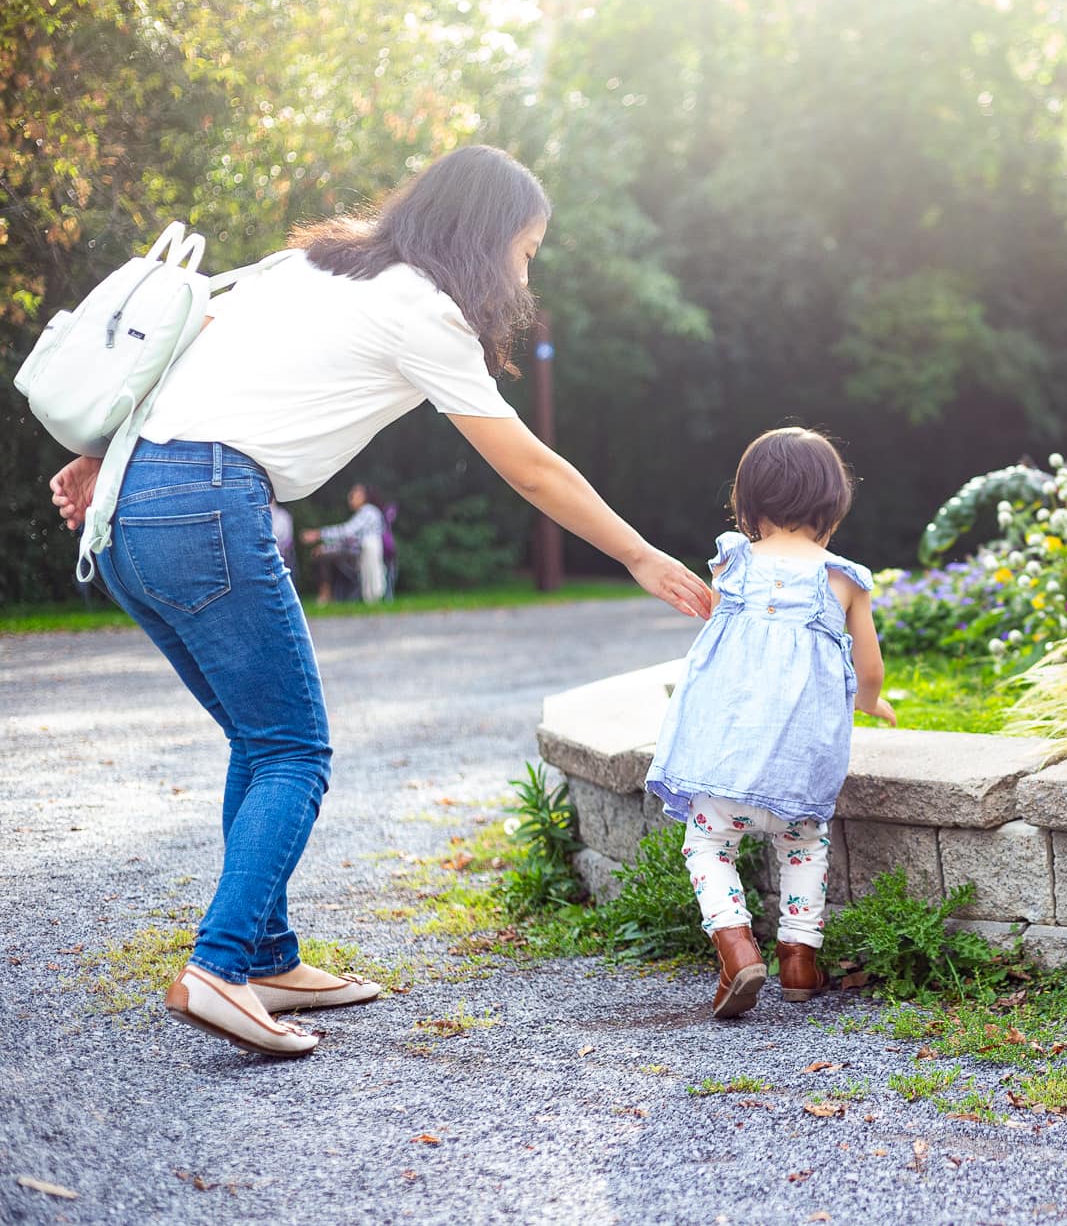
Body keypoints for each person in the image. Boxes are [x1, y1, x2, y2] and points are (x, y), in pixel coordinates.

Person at [47, 145, 714, 1058]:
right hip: (205, 502)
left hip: (132, 507)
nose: (527, 270)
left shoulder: (307, 262)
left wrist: (99, 460)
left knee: (260, 737)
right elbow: (529, 465)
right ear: (484, 238)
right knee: (292, 749)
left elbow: (169, 359)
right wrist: (638, 555)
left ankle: (269, 954)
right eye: (526, 249)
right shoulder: (423, 308)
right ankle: (219, 964)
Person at [642, 427, 895, 1019]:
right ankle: (799, 960)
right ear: (833, 506)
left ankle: (735, 944)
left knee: (707, 843)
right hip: (799, 770)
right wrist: (870, 702)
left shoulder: (731, 560)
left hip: (724, 763)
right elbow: (871, 667)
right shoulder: (845, 579)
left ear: (748, 505)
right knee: (804, 846)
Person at [303, 482, 387, 605]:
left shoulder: (368, 512)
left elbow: (347, 532)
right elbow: (348, 540)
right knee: (323, 556)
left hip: (363, 553)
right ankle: (329, 595)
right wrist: (326, 547)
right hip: (357, 553)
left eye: (355, 493)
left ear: (365, 497)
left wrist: (318, 534)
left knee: (324, 558)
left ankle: (326, 595)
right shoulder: (363, 514)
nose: (350, 496)